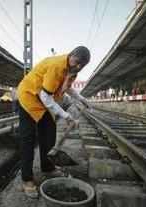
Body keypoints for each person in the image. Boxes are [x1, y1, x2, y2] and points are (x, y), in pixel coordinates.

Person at [17, 46, 91, 198]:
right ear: (71, 55)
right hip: (29, 97)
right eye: (77, 62)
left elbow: (68, 88)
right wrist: (66, 115)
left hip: (42, 101)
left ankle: (47, 167)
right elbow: (46, 96)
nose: (78, 67)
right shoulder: (57, 66)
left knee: (49, 134)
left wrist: (82, 99)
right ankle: (27, 179)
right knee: (28, 139)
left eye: (81, 65)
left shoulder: (72, 70)